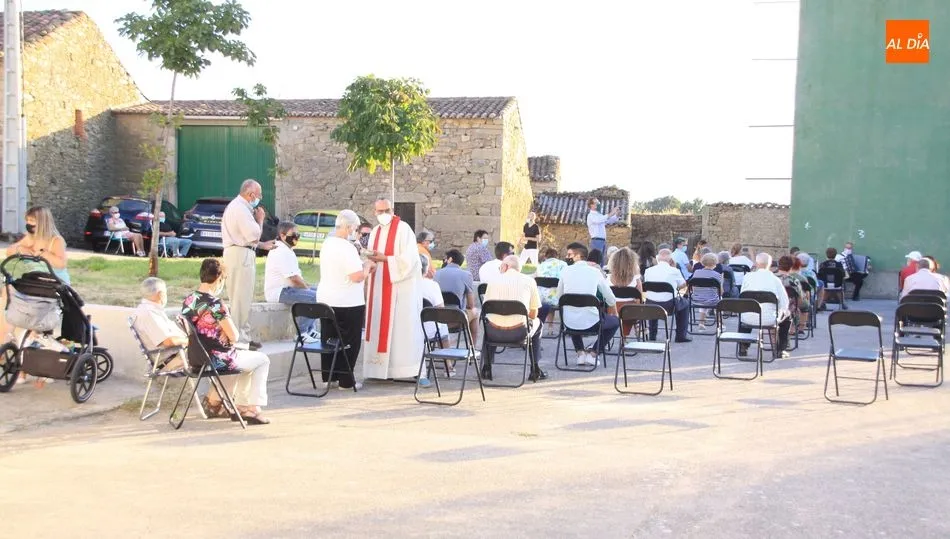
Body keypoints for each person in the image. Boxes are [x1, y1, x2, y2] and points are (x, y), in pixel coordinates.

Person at [181, 258, 272, 425]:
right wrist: (225, 331)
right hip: (219, 358)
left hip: (197, 356)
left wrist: (222, 330)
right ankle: (252, 408)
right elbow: (235, 336)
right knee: (262, 360)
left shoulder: (189, 300)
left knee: (248, 362)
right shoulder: (215, 304)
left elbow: (204, 327)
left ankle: (241, 406)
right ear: (219, 279)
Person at [362, 197, 425, 381]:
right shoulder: (375, 231)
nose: (383, 214)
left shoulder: (403, 229)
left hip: (400, 289)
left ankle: (407, 370)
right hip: (378, 286)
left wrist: (384, 259)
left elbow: (410, 260)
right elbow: (372, 256)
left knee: (402, 330)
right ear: (374, 212)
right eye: (380, 211)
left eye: (386, 210)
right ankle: (379, 371)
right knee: (379, 326)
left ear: (392, 210)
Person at [317, 210, 375, 390]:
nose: (357, 233)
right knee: (349, 342)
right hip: (348, 301)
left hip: (326, 299)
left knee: (329, 339)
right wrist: (367, 267)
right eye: (356, 229)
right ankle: (346, 381)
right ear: (349, 227)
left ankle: (329, 377)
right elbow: (356, 276)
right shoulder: (346, 247)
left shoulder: (327, 243)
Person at [221, 179, 276, 350]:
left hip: (240, 252)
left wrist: (262, 245)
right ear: (251, 194)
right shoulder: (240, 208)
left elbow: (246, 238)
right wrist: (260, 219)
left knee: (243, 298)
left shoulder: (238, 207)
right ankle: (239, 338)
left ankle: (243, 334)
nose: (260, 198)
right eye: (259, 195)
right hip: (239, 255)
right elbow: (253, 235)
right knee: (240, 297)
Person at [481, 255, 546, 381]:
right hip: (519, 333)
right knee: (538, 323)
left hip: (493, 333)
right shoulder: (529, 281)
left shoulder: (493, 281)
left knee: (489, 323)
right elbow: (534, 314)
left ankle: (486, 367)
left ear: (506, 266)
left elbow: (485, 309)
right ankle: (535, 368)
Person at [557, 242, 619, 366]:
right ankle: (594, 353)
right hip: (592, 323)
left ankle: (580, 353)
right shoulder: (595, 272)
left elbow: (559, 297)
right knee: (615, 322)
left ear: (578, 256)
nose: (567, 257)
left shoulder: (565, 271)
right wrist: (614, 311)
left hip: (568, 323)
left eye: (569, 254)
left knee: (572, 311)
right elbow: (610, 297)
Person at [264, 222, 319, 343]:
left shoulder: (287, 250)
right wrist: (307, 289)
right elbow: (293, 278)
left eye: (298, 233)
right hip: (280, 291)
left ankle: (310, 329)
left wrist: (308, 287)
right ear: (282, 235)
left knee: (321, 292)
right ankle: (301, 333)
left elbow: (296, 277)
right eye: (293, 234)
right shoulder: (280, 251)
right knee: (315, 296)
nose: (296, 236)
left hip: (289, 289)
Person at [737, 253, 791, 359]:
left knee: (746, 310)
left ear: (756, 263)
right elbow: (784, 303)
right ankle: (779, 349)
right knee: (787, 316)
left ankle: (743, 346)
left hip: (747, 318)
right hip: (769, 319)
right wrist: (781, 312)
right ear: (770, 264)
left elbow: (742, 297)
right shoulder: (775, 280)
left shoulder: (747, 277)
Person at [132, 277, 188, 374]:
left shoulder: (146, 309)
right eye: (165, 293)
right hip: (172, 359)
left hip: (173, 354)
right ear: (160, 294)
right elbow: (168, 341)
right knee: (212, 353)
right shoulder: (150, 313)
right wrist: (189, 341)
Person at [5, 206, 70, 285]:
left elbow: (61, 264)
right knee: (7, 288)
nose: (28, 223)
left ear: (43, 223)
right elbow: (9, 252)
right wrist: (20, 249)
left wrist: (44, 254)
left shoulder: (56, 240)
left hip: (55, 283)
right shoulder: (29, 238)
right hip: (35, 281)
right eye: (27, 220)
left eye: (32, 220)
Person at [434, 249, 480, 346]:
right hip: (457, 318)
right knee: (475, 312)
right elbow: (471, 305)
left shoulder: (436, 274)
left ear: (450, 259)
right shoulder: (466, 275)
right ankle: (472, 347)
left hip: (436, 318)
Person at [643, 249, 691, 343]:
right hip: (669, 306)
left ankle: (652, 334)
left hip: (650, 305)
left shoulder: (648, 271)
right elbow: (683, 284)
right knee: (685, 303)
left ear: (658, 258)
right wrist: (674, 285)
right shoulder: (674, 271)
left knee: (654, 297)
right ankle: (680, 335)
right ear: (671, 259)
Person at [607, 247, 642, 337]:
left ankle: (624, 337)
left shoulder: (607, 278)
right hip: (630, 313)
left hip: (612, 312)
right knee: (634, 305)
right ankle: (627, 333)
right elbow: (640, 296)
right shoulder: (636, 278)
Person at [419, 256, 450, 352]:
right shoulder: (432, 285)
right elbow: (441, 310)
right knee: (443, 325)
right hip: (427, 330)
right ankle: (447, 359)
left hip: (407, 328)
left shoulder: (404, 285)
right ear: (426, 269)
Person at [535, 248, 567, 337]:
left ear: (545, 256)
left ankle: (549, 327)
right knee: (558, 295)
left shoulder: (540, 266)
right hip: (556, 299)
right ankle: (564, 327)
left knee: (547, 295)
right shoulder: (563, 265)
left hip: (541, 300)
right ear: (557, 256)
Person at [690, 252, 724, 327]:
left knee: (704, 297)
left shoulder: (696, 273)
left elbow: (692, 287)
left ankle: (701, 322)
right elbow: (721, 292)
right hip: (712, 300)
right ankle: (720, 323)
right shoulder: (717, 275)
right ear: (715, 263)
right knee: (719, 299)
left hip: (696, 299)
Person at [776, 255, 805, 338]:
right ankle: (790, 330)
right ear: (791, 267)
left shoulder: (771, 278)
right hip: (788, 309)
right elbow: (800, 299)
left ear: (778, 265)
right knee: (796, 309)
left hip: (771, 307)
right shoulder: (794, 281)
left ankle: (775, 335)